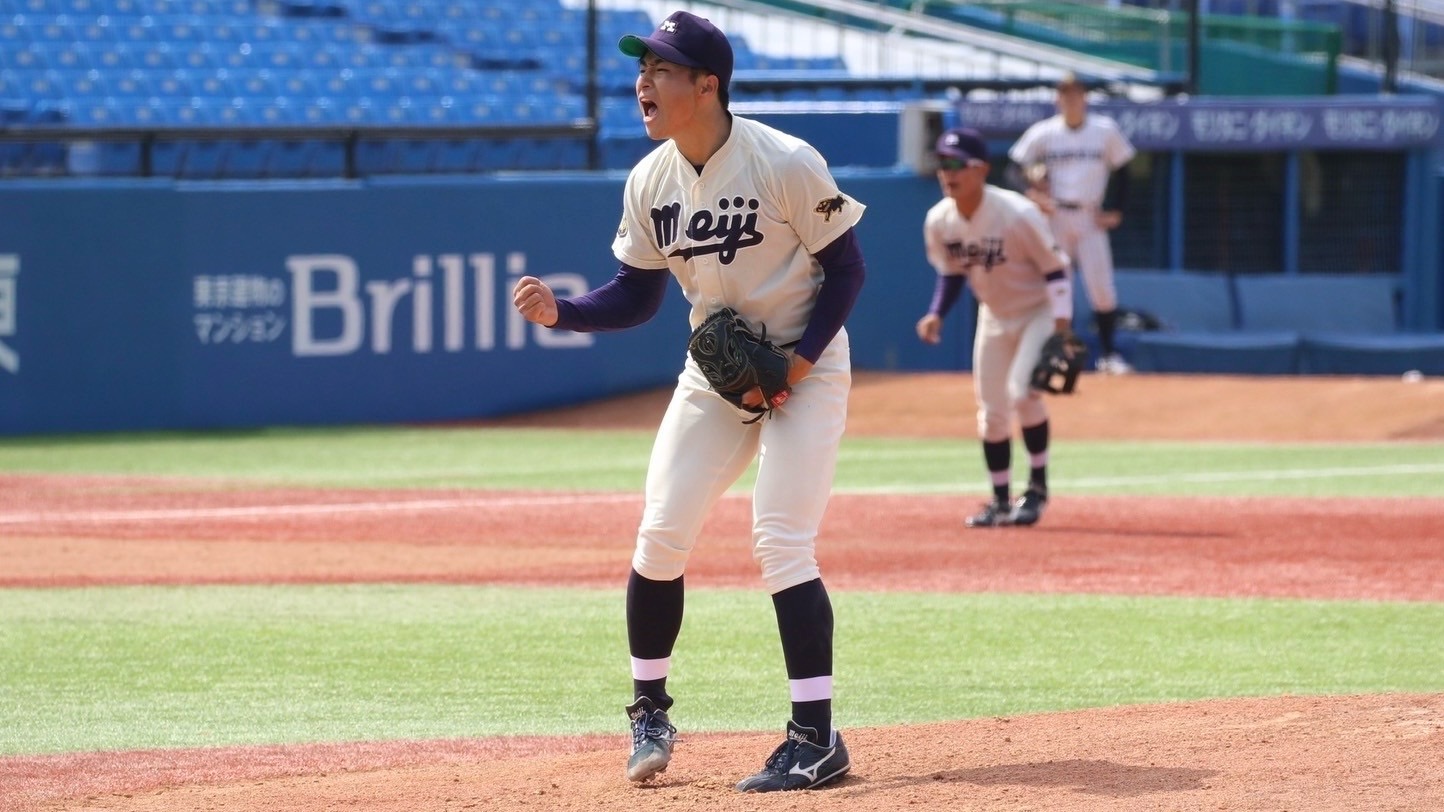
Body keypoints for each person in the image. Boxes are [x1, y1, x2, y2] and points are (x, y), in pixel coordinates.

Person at [511, 10, 866, 793]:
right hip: (717, 373)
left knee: (781, 540)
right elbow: (636, 294)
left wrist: (798, 367)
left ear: (707, 85)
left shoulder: (783, 160)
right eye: (642, 68)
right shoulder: (651, 179)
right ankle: (649, 713)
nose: (643, 80)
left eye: (661, 68)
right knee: (661, 529)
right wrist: (564, 312)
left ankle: (817, 738)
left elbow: (846, 271)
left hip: (805, 365)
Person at [916, 127, 1074, 528]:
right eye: (942, 163)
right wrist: (937, 313)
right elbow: (952, 272)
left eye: (957, 163)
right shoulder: (940, 220)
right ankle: (1001, 500)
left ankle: (1036, 489)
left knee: (1023, 394)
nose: (948, 172)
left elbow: (1056, 270)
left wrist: (1061, 328)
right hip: (995, 314)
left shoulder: (1017, 214)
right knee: (991, 413)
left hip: (1037, 311)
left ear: (982, 169)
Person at [1007, 73, 1136, 374]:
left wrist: (1117, 209)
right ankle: (1057, 355)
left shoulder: (1104, 130)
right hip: (1055, 215)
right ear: (1058, 99)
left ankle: (1108, 355)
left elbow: (1125, 169)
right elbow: (1013, 168)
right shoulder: (1044, 132)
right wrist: (1031, 193)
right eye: (1065, 94)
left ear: (1084, 98)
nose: (1071, 99)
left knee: (1101, 289)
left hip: (1090, 216)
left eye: (1076, 93)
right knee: (1057, 288)